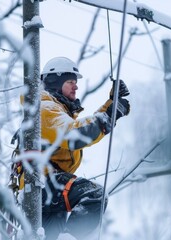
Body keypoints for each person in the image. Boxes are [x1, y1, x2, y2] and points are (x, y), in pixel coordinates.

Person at [40, 57, 130, 240]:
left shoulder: (57, 111)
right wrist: (109, 115)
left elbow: (79, 127)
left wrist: (110, 106)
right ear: (56, 84)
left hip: (45, 190)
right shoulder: (44, 108)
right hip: (42, 182)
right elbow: (75, 134)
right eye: (70, 82)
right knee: (94, 196)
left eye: (76, 82)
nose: (76, 86)